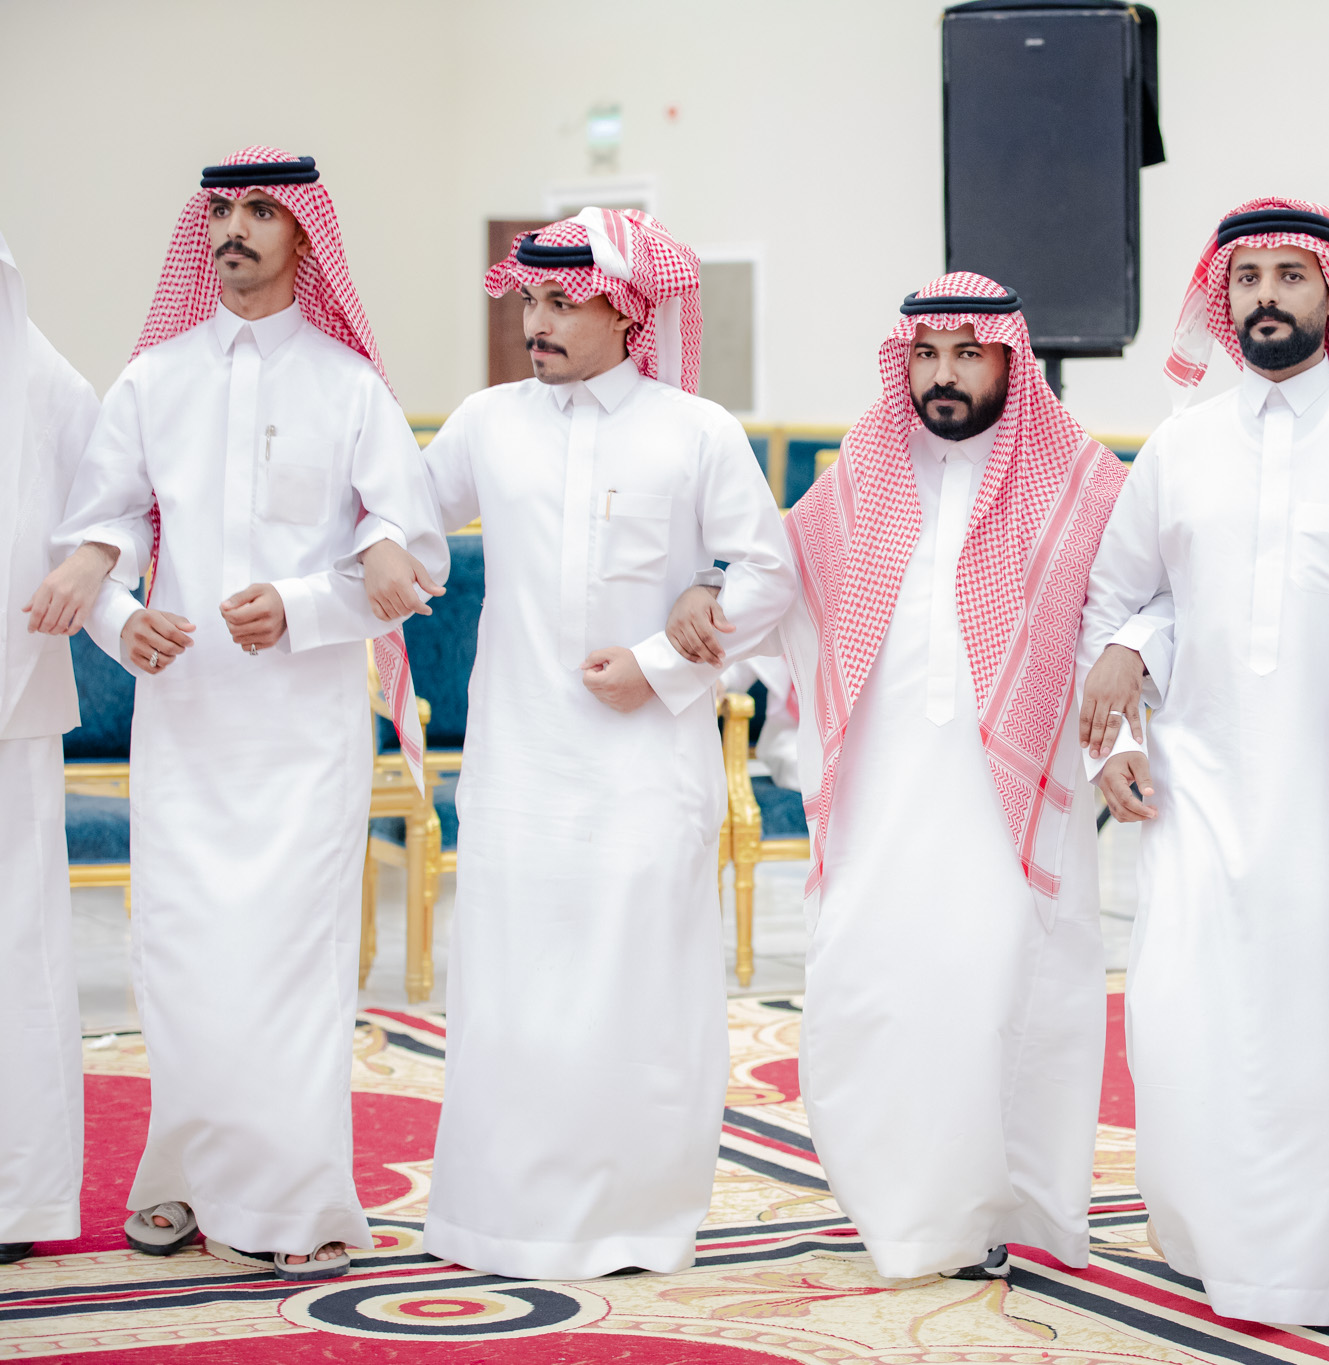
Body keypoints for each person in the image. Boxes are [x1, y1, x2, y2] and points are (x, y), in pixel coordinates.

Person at [36, 147, 445, 1280]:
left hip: (303, 726)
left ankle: (296, 1202)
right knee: (183, 953)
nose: (235, 227)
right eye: (221, 209)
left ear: (305, 233)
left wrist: (306, 605)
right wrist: (122, 621)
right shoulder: (152, 380)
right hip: (187, 717)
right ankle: (177, 1179)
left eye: (262, 209)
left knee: (289, 958)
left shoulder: (350, 387)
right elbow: (99, 528)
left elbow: (410, 552)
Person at [1078, 198, 1329, 1326]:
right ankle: (1204, 1237)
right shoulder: (1181, 443)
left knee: (1320, 1026)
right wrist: (1120, 724)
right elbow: (1127, 598)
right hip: (1196, 782)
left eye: (1289, 275)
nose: (1264, 296)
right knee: (1181, 1015)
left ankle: (1319, 1260)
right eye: (1246, 277)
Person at [392, 210, 795, 1280]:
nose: (538, 320)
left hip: (647, 766)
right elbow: (405, 534)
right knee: (516, 987)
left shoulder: (695, 431)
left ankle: (638, 1220)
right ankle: (498, 1218)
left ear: (627, 310)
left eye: (562, 302)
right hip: (522, 761)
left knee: (637, 988)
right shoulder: (486, 422)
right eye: (530, 299)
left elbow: (767, 575)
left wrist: (661, 661)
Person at [762, 272, 1124, 1281]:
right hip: (881, 791)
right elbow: (779, 580)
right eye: (925, 354)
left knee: (990, 994)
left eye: (967, 353)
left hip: (1005, 799)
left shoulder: (1082, 481)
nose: (943, 375)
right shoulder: (863, 469)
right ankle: (898, 1212)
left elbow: (1123, 614)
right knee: (866, 986)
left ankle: (990, 1211)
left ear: (1010, 361)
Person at [1, 227, 101, 1266]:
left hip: (10, 704)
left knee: (14, 954)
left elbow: (105, 520)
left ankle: (12, 1197)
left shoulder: (40, 378)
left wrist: (103, 597)